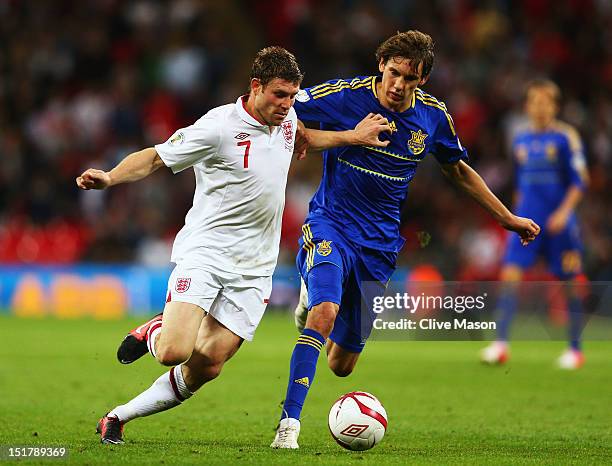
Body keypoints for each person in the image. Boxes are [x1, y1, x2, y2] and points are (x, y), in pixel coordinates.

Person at [76, 46, 391, 445]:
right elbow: (155, 158)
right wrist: (109, 177)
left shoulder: (288, 120)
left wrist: (352, 137)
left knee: (207, 365)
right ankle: (156, 329)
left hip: (256, 267)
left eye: (293, 96)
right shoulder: (218, 126)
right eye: (279, 94)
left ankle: (117, 417)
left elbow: (305, 137)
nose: (287, 104)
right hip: (207, 254)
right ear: (256, 87)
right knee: (174, 351)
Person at [270, 30, 541, 449]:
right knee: (324, 310)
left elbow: (458, 170)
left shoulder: (433, 118)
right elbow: (286, 119)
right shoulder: (345, 96)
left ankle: (313, 300)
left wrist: (506, 217)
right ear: (381, 66)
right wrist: (348, 137)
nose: (398, 85)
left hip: (378, 247)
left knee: (342, 365)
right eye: (393, 72)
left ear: (423, 79)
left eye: (409, 78)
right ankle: (289, 425)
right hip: (331, 224)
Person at [480, 79, 588, 369]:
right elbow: (518, 184)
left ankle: (575, 349)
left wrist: (564, 213)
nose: (539, 107)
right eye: (534, 102)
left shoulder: (566, 138)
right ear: (527, 106)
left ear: (554, 106)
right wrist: (516, 215)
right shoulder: (520, 140)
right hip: (526, 221)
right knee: (510, 277)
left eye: (545, 102)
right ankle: (501, 344)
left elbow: (580, 182)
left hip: (558, 224)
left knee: (568, 282)